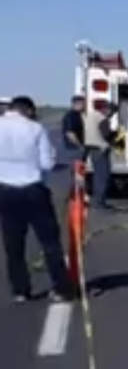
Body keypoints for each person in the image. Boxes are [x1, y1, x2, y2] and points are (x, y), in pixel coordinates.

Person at [0, 96, 73, 302]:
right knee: (50, 242)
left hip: (5, 191)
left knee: (13, 244)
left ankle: (20, 290)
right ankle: (61, 288)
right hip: (33, 190)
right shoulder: (35, 129)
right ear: (29, 110)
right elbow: (47, 163)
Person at [83, 100, 116, 209]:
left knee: (97, 175)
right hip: (100, 148)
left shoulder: (90, 116)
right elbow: (106, 134)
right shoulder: (102, 118)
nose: (112, 115)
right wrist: (116, 135)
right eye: (112, 112)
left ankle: (97, 201)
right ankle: (100, 202)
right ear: (107, 109)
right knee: (103, 176)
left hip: (91, 148)